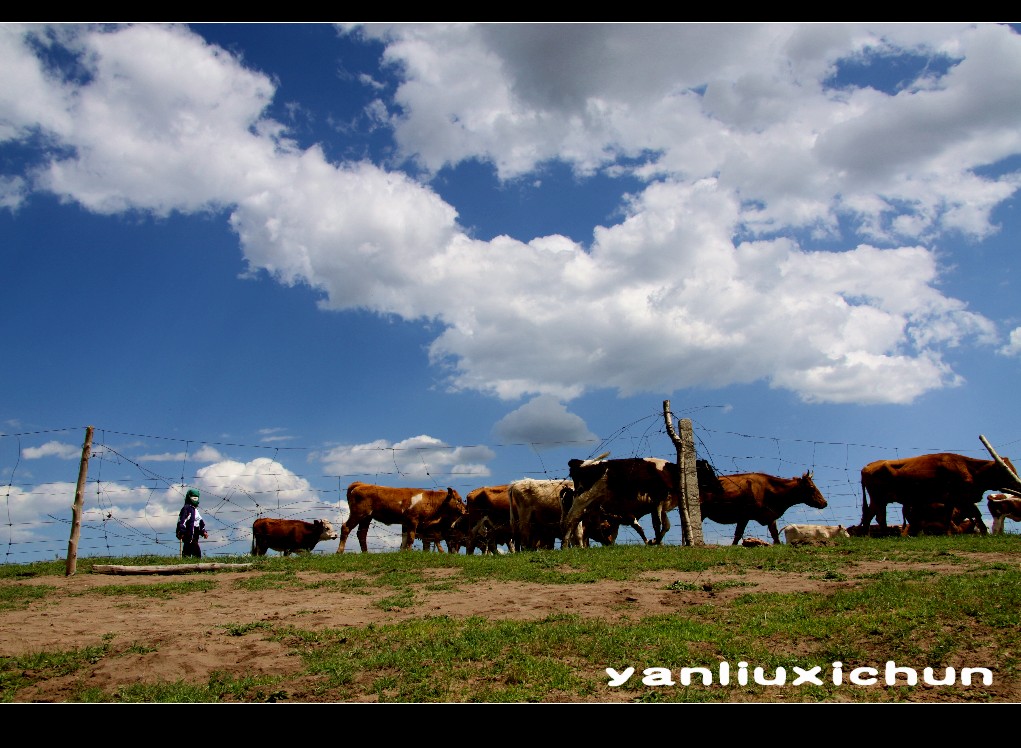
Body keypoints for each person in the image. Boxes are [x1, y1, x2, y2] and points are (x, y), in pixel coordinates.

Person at [176, 488, 208, 558]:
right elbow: (182, 520)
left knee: (189, 549)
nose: (195, 499)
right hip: (188, 532)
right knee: (194, 548)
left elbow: (200, 522)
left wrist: (203, 532)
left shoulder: (196, 510)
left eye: (196, 497)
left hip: (195, 533)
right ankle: (193, 562)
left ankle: (188, 560)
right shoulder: (186, 508)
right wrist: (181, 531)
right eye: (193, 497)